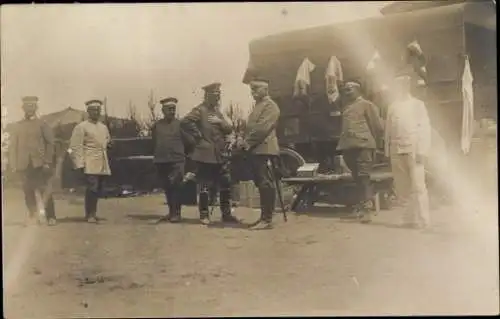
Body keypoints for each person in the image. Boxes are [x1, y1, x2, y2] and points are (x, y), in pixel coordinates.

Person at [181, 82, 239, 225]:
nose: (218, 96)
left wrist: (220, 122)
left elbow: (228, 129)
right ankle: (204, 215)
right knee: (204, 185)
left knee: (225, 183)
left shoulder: (218, 112)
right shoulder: (199, 110)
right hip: (205, 154)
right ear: (207, 95)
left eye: (219, 93)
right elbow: (185, 122)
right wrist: (198, 135)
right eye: (215, 94)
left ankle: (226, 214)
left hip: (219, 154)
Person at [384, 75, 431, 229]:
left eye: (405, 85)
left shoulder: (418, 105)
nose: (402, 88)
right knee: (402, 187)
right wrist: (387, 151)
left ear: (409, 86)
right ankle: (409, 219)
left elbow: (424, 129)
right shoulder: (393, 106)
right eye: (399, 85)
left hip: (414, 149)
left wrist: (422, 150)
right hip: (396, 149)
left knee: (418, 186)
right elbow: (388, 130)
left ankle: (424, 219)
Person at [337, 81, 384, 223]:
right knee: (357, 178)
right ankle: (360, 207)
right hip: (348, 147)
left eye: (350, 89)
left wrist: (374, 144)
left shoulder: (367, 105)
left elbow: (377, 126)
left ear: (358, 90)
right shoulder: (346, 108)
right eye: (345, 90)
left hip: (363, 145)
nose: (347, 92)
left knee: (364, 178)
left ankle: (367, 210)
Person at [237, 78, 281, 230]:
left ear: (265, 90)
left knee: (265, 183)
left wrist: (247, 142)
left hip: (265, 149)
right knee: (261, 183)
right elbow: (250, 127)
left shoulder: (270, 106)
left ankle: (267, 219)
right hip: (257, 149)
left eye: (256, 90)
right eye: (251, 91)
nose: (253, 93)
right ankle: (264, 217)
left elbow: (263, 128)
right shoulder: (258, 106)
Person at [8, 96, 57, 226]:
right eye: (27, 107)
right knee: (28, 190)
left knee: (44, 189)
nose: (29, 109)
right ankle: (33, 215)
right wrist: (13, 164)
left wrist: (47, 161)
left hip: (39, 163)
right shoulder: (17, 126)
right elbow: (13, 147)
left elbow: (50, 143)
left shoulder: (42, 124)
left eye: (32, 106)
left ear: (36, 108)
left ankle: (51, 216)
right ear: (23, 108)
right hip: (23, 164)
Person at [69, 99, 112, 223]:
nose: (96, 112)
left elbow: (107, 141)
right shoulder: (81, 127)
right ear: (88, 111)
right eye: (93, 110)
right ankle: (89, 215)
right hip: (89, 162)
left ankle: (93, 212)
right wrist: (79, 163)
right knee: (92, 188)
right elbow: (74, 146)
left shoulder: (103, 127)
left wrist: (109, 144)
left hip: (102, 162)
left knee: (98, 189)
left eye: (98, 110)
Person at [151, 97, 188, 223]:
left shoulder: (181, 124)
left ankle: (177, 213)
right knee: (167, 186)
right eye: (169, 109)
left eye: (173, 109)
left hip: (177, 160)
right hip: (161, 160)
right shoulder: (157, 126)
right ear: (163, 110)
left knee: (176, 185)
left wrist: (182, 154)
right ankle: (171, 211)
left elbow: (189, 142)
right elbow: (154, 142)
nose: (171, 111)